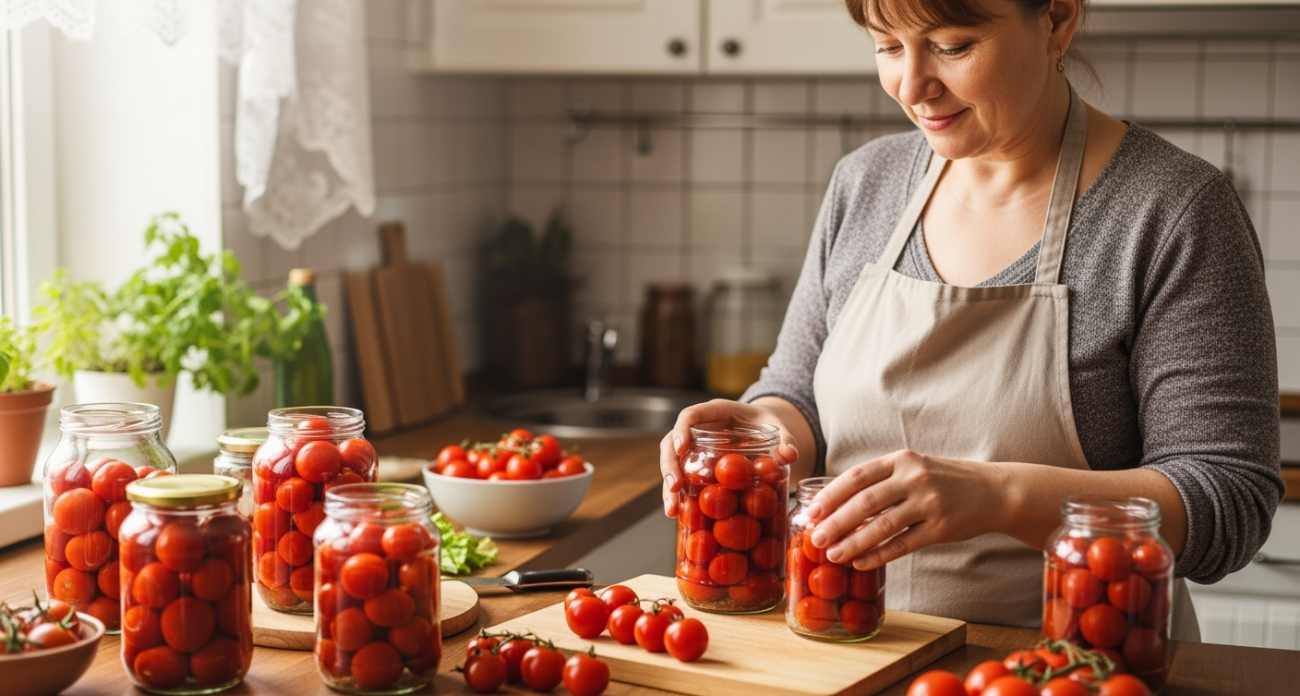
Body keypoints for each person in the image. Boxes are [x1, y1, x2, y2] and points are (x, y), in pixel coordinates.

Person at [659, 0, 1283, 636]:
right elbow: (801, 395)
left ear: (1058, 19)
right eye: (887, 45)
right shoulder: (865, 183)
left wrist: (999, 497)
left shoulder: (1173, 212)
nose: (911, 85)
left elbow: (1227, 499)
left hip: (1076, 666)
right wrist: (757, 429)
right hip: (842, 648)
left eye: (952, 47)